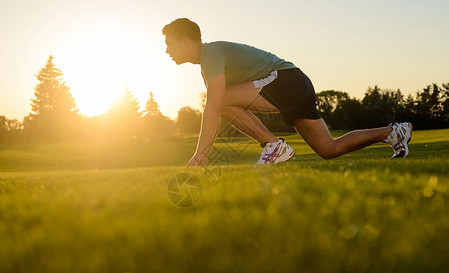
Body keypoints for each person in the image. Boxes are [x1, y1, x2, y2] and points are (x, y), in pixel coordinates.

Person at [162, 18, 412, 167]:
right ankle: (394, 132)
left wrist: (201, 153)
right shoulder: (209, 61)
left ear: (185, 41)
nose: (166, 51)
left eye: (169, 44)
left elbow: (215, 107)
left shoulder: (211, 54)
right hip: (296, 83)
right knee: (329, 149)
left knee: (221, 100)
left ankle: (273, 146)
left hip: (286, 81)